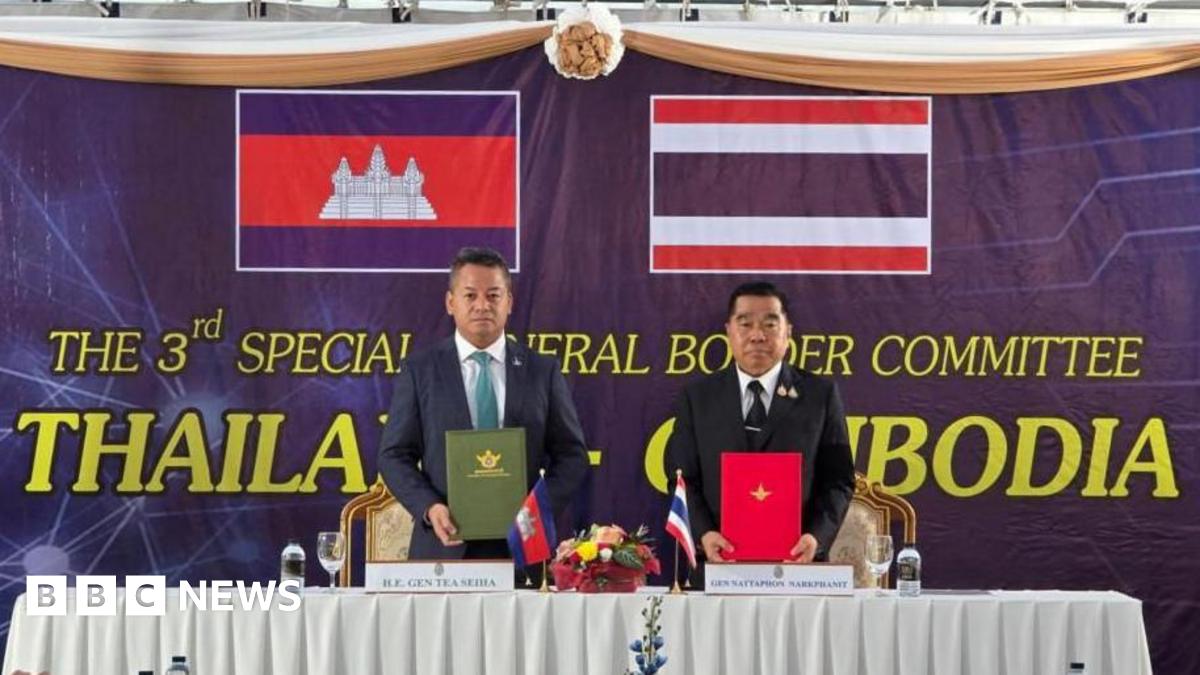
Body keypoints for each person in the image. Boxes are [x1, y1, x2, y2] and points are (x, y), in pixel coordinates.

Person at [378, 247, 589, 561]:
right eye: (470, 295)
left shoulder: (542, 371)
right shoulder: (419, 371)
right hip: (443, 548)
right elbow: (394, 455)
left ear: (509, 302)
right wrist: (429, 507)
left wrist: (537, 510)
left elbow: (572, 455)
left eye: (493, 295)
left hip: (524, 548)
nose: (482, 306)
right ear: (451, 303)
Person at [667, 281, 855, 566]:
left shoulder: (820, 395)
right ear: (728, 331)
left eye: (770, 324)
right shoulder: (698, 397)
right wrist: (704, 533)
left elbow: (838, 480)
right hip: (718, 564)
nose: (757, 336)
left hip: (797, 566)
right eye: (745, 324)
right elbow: (682, 478)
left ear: (788, 332)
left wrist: (816, 537)